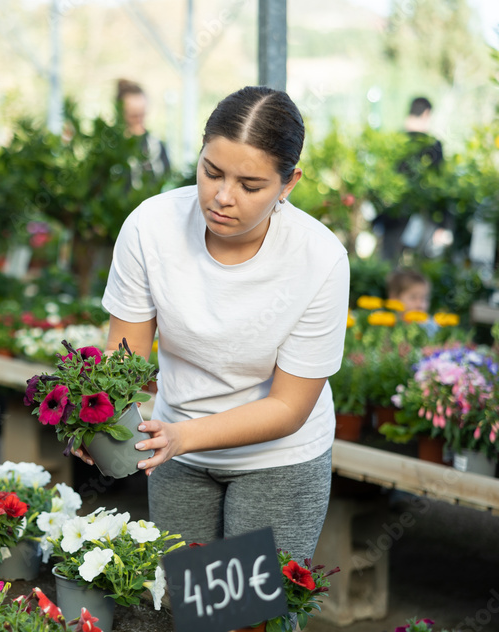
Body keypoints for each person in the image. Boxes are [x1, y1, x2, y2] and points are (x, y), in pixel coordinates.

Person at [87, 86, 350, 565]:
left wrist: (183, 435)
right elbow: (123, 358)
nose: (223, 198)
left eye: (251, 186)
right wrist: (97, 417)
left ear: (288, 184)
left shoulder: (320, 258)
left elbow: (289, 407)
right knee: (186, 607)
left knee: (255, 614)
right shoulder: (152, 226)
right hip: (177, 454)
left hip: (278, 460)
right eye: (211, 172)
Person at [375, 96, 445, 262]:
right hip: (423, 214)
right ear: (426, 114)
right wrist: (443, 223)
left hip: (392, 215)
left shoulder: (393, 141)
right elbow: (438, 185)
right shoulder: (433, 145)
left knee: (388, 263)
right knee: (420, 267)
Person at [117, 80, 171, 188]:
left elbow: (166, 178)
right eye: (133, 115)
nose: (138, 120)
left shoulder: (156, 145)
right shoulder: (113, 147)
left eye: (142, 115)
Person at [387, 267, 439, 336]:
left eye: (425, 298)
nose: (420, 305)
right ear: (394, 298)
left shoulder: (431, 327)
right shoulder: (386, 327)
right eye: (413, 297)